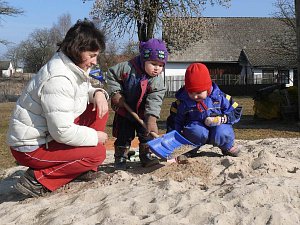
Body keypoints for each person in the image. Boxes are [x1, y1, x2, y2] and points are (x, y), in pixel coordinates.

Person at [6, 19, 110, 198]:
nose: (95, 61)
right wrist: (95, 137)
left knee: (98, 108)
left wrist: (98, 93)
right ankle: (37, 180)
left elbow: (83, 91)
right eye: (92, 55)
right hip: (31, 147)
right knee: (97, 153)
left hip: (48, 135)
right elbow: (61, 131)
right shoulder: (58, 78)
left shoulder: (72, 67)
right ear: (77, 49)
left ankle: (81, 168)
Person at [107, 38, 168, 170]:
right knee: (124, 135)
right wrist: (116, 93)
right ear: (144, 59)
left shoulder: (157, 81)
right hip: (125, 110)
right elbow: (111, 75)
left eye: (161, 65)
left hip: (143, 112)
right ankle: (120, 158)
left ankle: (146, 156)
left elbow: (155, 101)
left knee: (146, 133)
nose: (157, 68)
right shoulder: (127, 68)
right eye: (153, 63)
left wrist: (151, 119)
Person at [166, 63, 243, 157]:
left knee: (222, 131)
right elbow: (175, 120)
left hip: (218, 126)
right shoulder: (183, 102)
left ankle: (227, 146)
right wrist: (172, 138)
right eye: (191, 92)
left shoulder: (220, 98)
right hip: (197, 131)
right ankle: (190, 149)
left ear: (207, 88)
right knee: (195, 130)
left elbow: (235, 111)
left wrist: (223, 118)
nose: (194, 96)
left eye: (198, 92)